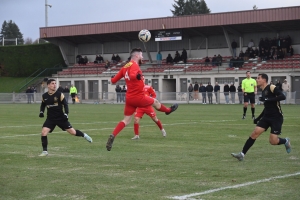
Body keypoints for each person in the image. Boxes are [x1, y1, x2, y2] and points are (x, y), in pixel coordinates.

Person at [106, 48, 178, 151]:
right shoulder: (135, 65)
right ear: (136, 56)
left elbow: (113, 81)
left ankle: (113, 135)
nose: (142, 57)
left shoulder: (124, 67)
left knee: (126, 120)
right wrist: (137, 75)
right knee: (156, 102)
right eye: (141, 55)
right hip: (139, 97)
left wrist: (112, 78)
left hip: (129, 98)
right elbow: (132, 75)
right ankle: (168, 111)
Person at [231, 73, 291, 161]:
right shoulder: (263, 91)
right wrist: (258, 118)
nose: (256, 80)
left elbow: (283, 96)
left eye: (258, 78)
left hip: (276, 117)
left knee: (273, 141)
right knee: (254, 133)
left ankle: (285, 141)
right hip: (266, 117)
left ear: (264, 80)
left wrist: (267, 99)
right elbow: (266, 108)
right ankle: (242, 154)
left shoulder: (272, 87)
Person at [38, 79, 92, 156]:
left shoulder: (59, 94)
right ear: (48, 85)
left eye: (55, 83)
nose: (55, 85)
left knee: (73, 132)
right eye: (53, 83)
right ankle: (45, 151)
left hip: (61, 118)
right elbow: (43, 105)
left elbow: (65, 105)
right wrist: (41, 112)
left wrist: (66, 114)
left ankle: (84, 135)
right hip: (50, 118)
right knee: (44, 132)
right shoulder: (44, 96)